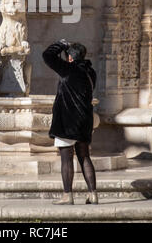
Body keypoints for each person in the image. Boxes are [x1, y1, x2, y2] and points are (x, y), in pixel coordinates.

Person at [42, 39, 98, 205]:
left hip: (67, 121)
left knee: (67, 159)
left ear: (71, 58)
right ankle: (93, 194)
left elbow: (47, 55)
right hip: (84, 121)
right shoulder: (90, 72)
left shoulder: (68, 69)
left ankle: (68, 195)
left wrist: (61, 44)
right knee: (84, 157)